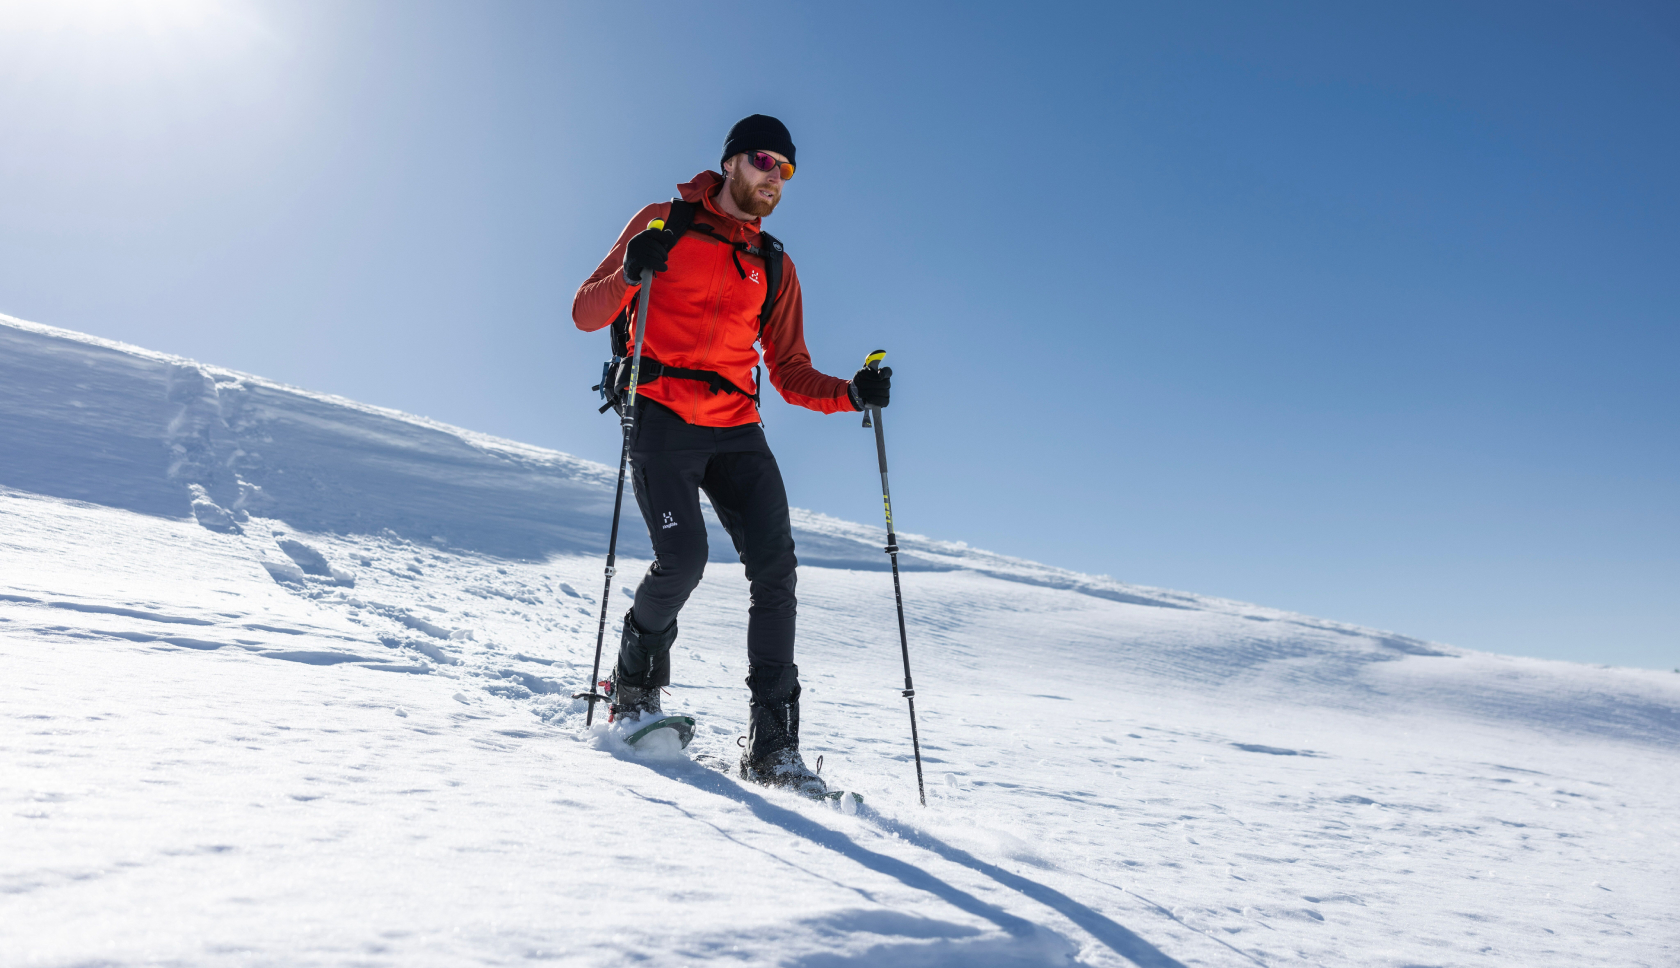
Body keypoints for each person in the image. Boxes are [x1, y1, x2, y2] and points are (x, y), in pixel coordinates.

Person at [572, 115, 891, 795]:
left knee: (776, 567)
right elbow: (585, 312)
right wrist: (632, 272)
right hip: (661, 415)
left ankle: (774, 748)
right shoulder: (664, 222)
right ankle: (632, 687)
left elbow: (792, 371)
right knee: (684, 559)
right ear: (732, 162)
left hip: (738, 429)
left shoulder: (774, 264)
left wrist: (852, 392)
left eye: (787, 171)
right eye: (767, 162)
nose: (777, 179)